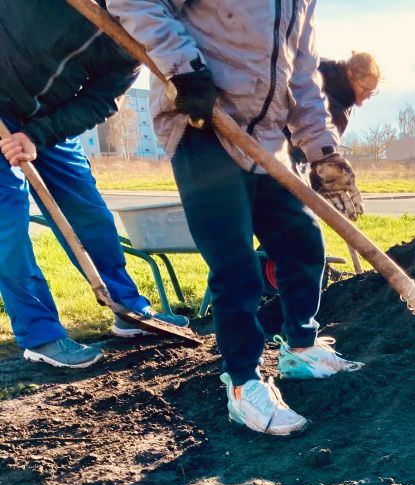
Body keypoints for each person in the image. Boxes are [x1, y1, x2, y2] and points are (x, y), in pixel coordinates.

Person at [107, 0, 366, 436]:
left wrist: (323, 151)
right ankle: (244, 383)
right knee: (236, 266)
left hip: (268, 139)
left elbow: (302, 77)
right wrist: (185, 70)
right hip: (205, 123)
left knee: (303, 242)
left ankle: (301, 349)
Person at [0, 0, 189, 370]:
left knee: (92, 217)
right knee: (9, 227)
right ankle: (40, 335)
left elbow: (101, 100)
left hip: (49, 122)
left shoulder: (134, 26)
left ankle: (127, 309)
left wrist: (38, 135)